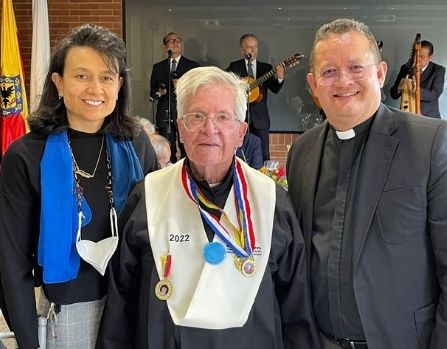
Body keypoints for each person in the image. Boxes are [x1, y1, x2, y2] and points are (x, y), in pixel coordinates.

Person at [97, 66, 321, 349]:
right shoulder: (149, 195)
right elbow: (121, 301)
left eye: (223, 117)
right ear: (180, 128)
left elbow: (296, 305)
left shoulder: (271, 201)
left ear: (241, 132)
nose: (209, 129)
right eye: (197, 116)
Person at [287, 18, 447, 349]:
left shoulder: (431, 144)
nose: (343, 81)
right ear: (314, 85)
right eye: (329, 72)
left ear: (380, 73)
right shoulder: (302, 151)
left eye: (356, 67)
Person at [0, 24, 159, 349]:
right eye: (82, 76)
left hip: (136, 305)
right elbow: (10, 259)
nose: (96, 88)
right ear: (58, 83)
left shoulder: (137, 145)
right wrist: (29, 339)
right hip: (70, 315)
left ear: (120, 85)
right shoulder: (27, 155)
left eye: (106, 77)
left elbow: (156, 232)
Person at [227, 34, 285, 161]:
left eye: (255, 47)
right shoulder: (234, 67)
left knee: (264, 154)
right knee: (240, 152)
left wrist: (280, 77)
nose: (253, 50)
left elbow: (275, 89)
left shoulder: (266, 68)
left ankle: (263, 179)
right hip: (241, 118)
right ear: (242, 50)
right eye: (249, 47)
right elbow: (225, 85)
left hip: (261, 118)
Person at [149, 32, 199, 163]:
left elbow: (198, 89)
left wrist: (182, 86)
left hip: (185, 111)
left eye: (178, 40)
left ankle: (187, 169)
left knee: (185, 144)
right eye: (171, 41)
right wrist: (160, 91)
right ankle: (169, 170)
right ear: (165, 47)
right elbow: (152, 91)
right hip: (165, 111)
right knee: (167, 145)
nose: (175, 43)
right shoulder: (159, 67)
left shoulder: (192, 66)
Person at [390, 40, 445, 118]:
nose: (418, 59)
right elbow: (393, 94)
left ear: (430, 57)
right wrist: (399, 87)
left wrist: (417, 90)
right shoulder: (405, 68)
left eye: (422, 57)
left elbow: (434, 95)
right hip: (408, 116)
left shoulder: (438, 70)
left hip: (430, 118)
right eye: (417, 56)